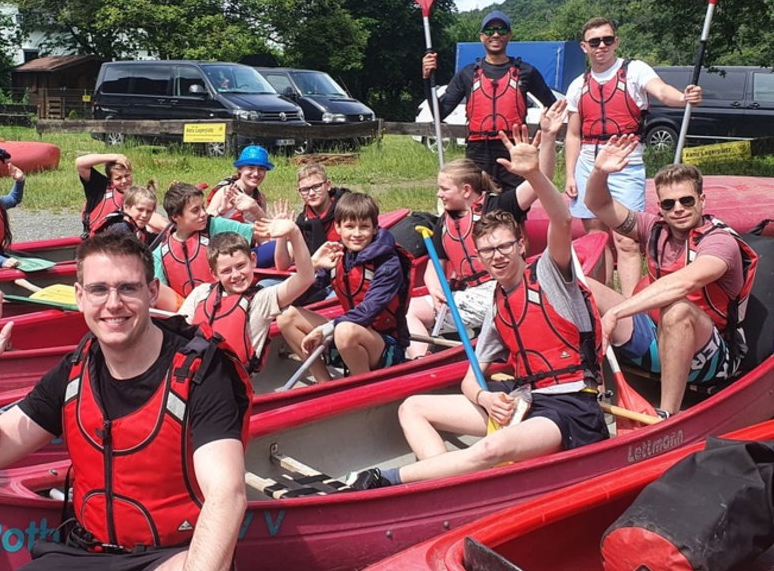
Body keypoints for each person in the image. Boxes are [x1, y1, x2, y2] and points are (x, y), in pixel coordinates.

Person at [0, 233, 250, 571]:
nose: (113, 303)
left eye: (127, 288)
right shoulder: (76, 368)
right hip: (84, 551)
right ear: (79, 296)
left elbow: (226, 494)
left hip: (171, 556)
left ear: (152, 291)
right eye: (98, 290)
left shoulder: (203, 372)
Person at [349, 130, 608, 489]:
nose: (497, 256)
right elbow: (472, 377)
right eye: (488, 251)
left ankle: (384, 480)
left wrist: (534, 173)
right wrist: (485, 397)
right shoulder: (497, 306)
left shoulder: (550, 274)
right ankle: (447, 487)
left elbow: (561, 221)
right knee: (412, 408)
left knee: (493, 447)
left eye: (504, 247)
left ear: (521, 245)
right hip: (524, 402)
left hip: (570, 407)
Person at [584, 136, 757, 415]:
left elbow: (683, 283)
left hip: (709, 357)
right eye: (669, 204)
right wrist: (600, 171)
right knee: (583, 285)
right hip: (654, 339)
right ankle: (576, 386)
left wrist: (616, 313)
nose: (678, 208)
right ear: (660, 208)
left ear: (702, 200)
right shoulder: (652, 227)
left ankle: (667, 415)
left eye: (686, 200)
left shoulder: (719, 242)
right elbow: (597, 204)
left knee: (677, 310)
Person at [405, 104, 566, 359]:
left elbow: (540, 181)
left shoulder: (498, 205)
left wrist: (548, 138)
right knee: (411, 310)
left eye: (444, 189)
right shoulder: (444, 223)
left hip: (501, 290)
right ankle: (421, 362)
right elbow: (434, 269)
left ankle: (436, 359)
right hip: (467, 295)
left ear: (466, 190)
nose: (438, 194)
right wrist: (435, 289)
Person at [564, 16, 703, 297]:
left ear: (616, 41)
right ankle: (602, 301)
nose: (601, 46)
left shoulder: (635, 71)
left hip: (625, 163)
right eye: (595, 42)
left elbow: (662, 91)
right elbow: (573, 134)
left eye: (607, 40)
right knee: (596, 240)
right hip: (590, 163)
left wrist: (683, 98)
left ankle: (631, 306)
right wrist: (569, 175)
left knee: (626, 239)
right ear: (584, 47)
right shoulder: (578, 85)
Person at [276, 193, 410, 383]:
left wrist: (326, 329)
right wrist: (313, 266)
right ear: (338, 228)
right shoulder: (338, 255)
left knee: (345, 330)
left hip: (384, 346)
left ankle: (363, 387)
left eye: (364, 227)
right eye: (349, 226)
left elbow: (368, 311)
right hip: (346, 332)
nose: (356, 234)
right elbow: (296, 299)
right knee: (286, 317)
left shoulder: (388, 263)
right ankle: (324, 383)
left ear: (374, 229)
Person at [422, 10, 558, 192]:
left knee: (514, 208)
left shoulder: (526, 71)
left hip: (513, 148)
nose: (495, 34)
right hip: (478, 151)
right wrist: (426, 79)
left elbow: (552, 105)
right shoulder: (467, 74)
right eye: (489, 31)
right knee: (479, 206)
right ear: (481, 37)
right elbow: (440, 112)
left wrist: (542, 134)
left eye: (501, 30)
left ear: (509, 36)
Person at [179, 220, 318, 375]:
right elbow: (178, 332)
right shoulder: (201, 293)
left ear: (253, 260)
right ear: (214, 274)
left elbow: (305, 278)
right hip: (194, 374)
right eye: (226, 271)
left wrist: (294, 232)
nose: (236, 275)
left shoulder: (263, 300)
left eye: (240, 266)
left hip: (233, 385)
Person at [152, 182, 259, 306]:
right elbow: (160, 295)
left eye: (203, 207)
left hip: (223, 305)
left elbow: (259, 231)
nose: (203, 214)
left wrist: (257, 211)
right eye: (195, 210)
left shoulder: (214, 225)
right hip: (185, 313)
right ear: (175, 216)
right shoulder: (160, 253)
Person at [207, 145, 273, 223]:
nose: (256, 173)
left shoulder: (260, 197)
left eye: (261, 169)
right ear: (240, 169)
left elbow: (264, 227)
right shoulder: (226, 192)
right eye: (251, 168)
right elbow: (204, 221)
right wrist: (221, 210)